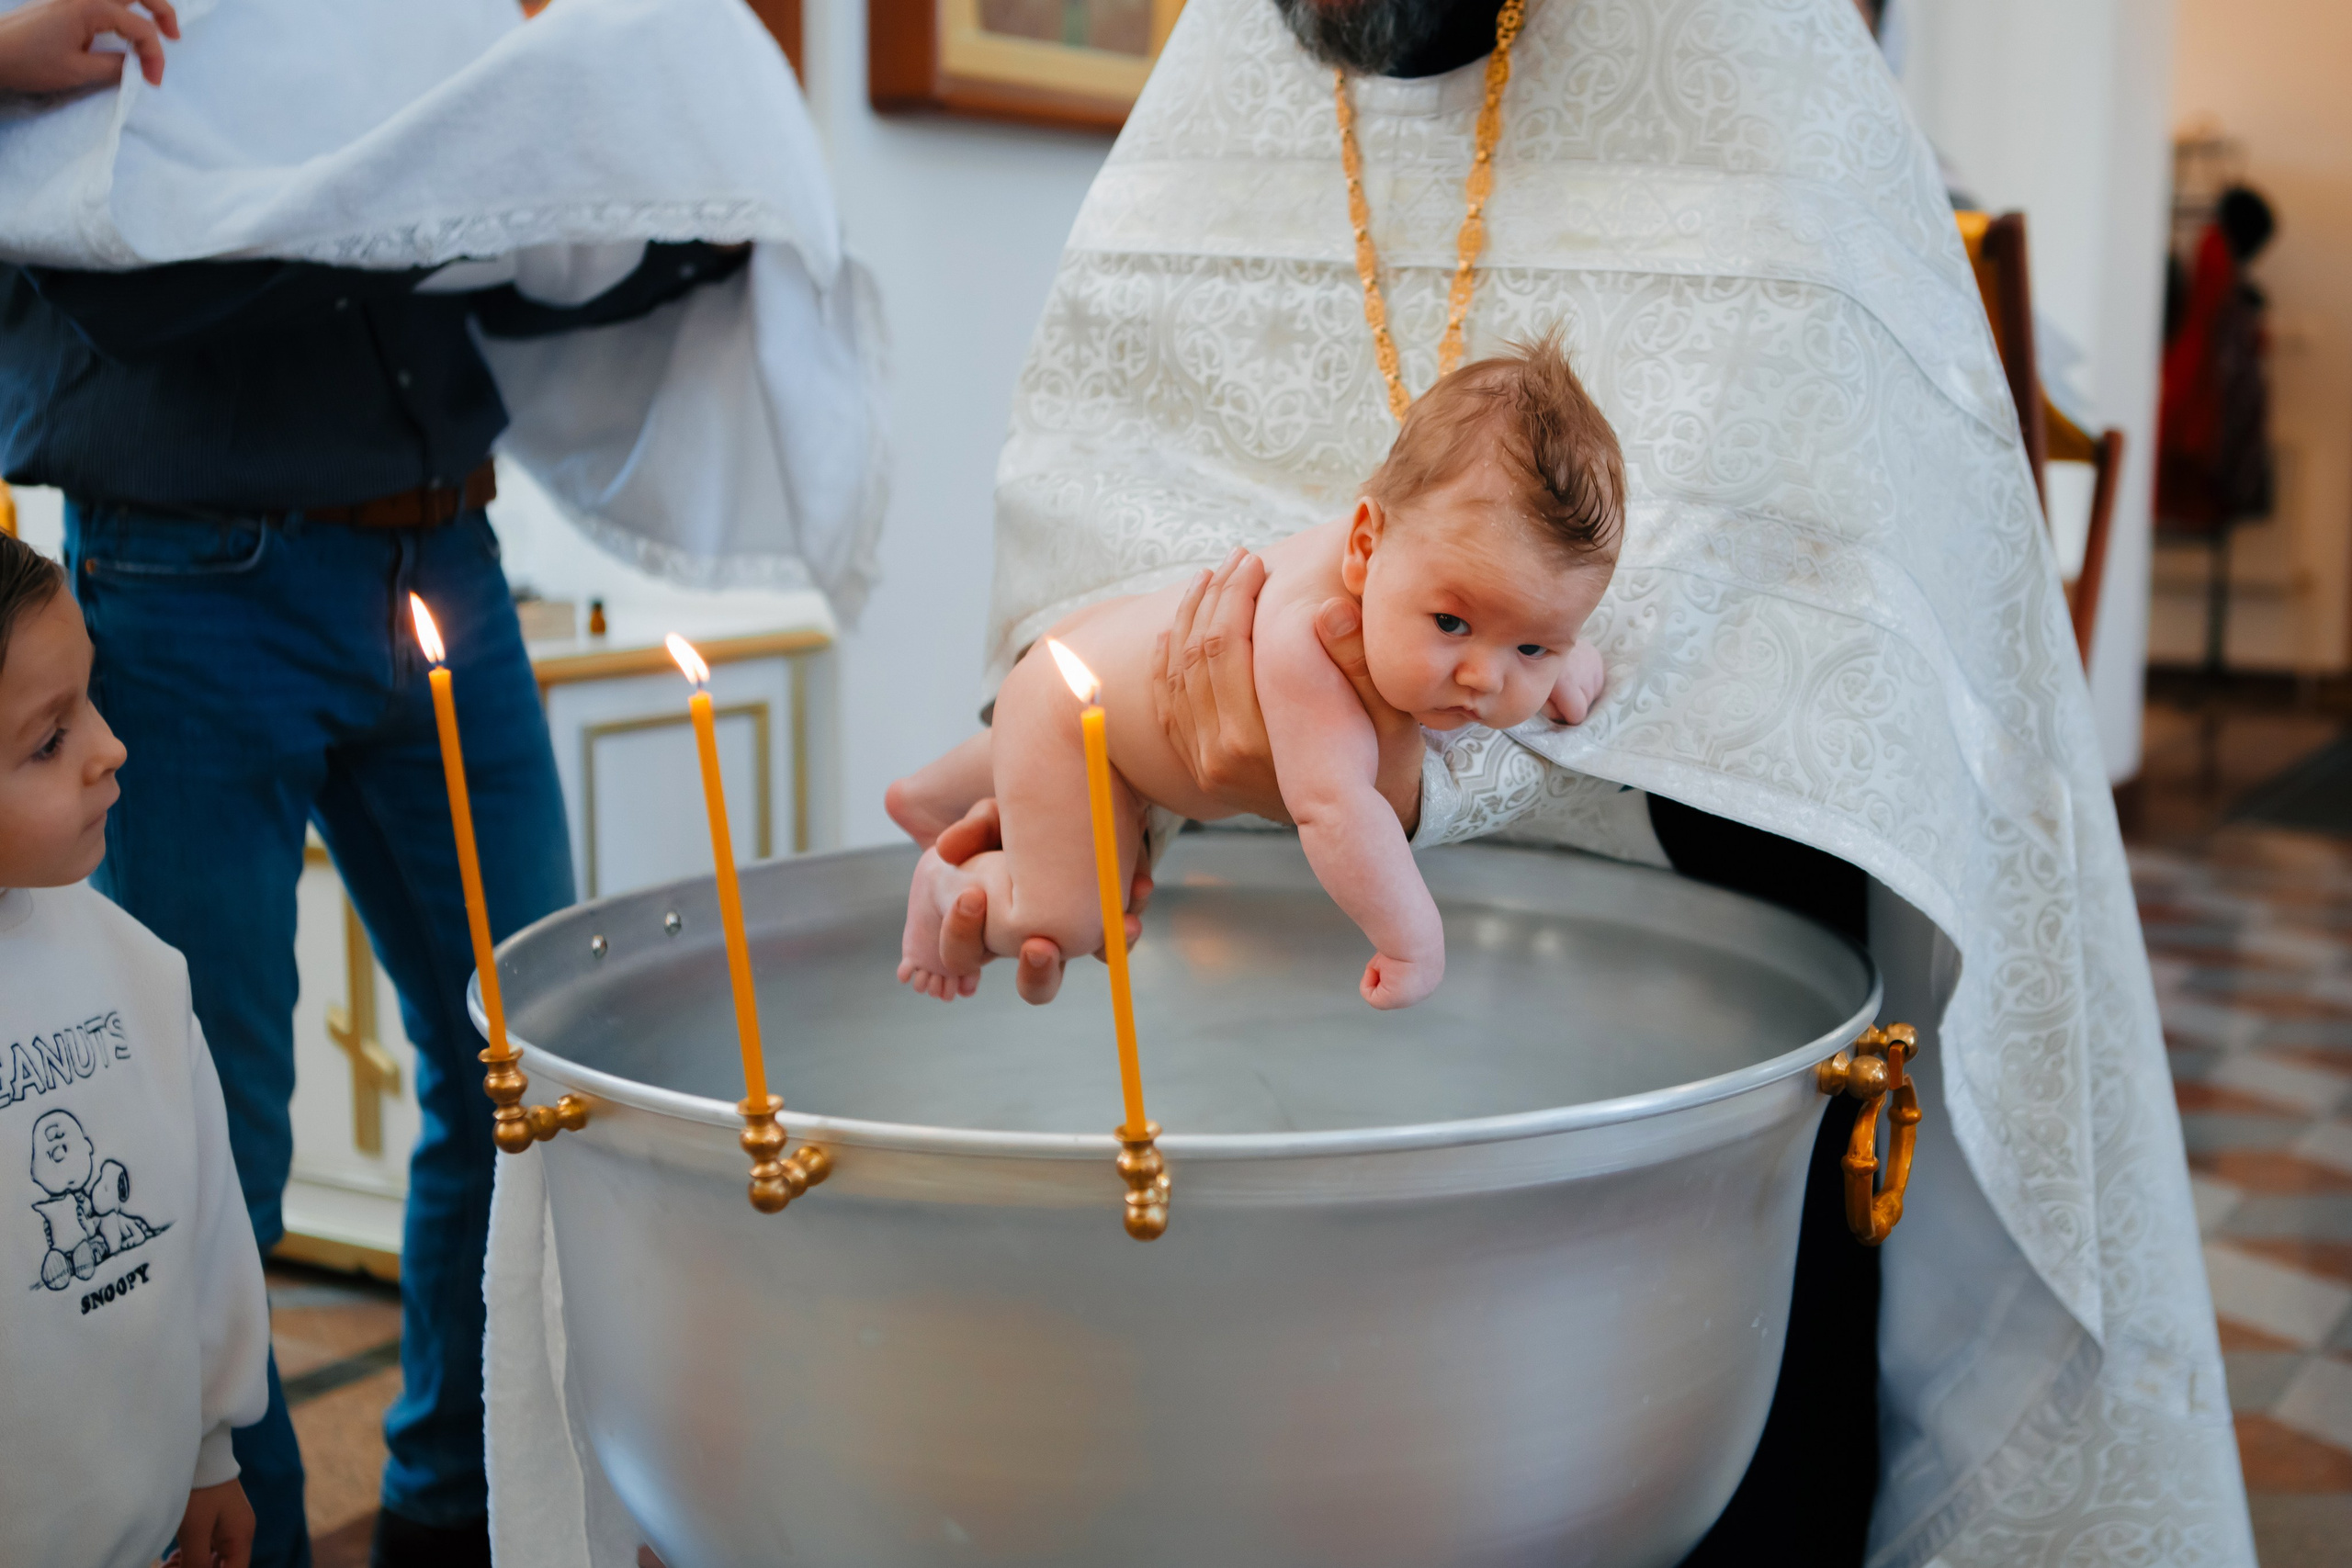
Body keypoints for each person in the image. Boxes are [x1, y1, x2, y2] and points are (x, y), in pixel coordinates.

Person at [948, 0, 2254, 1563]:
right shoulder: (1236, 63)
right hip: (1267, 1065)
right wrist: (1096, 758)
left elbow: (1812, 633)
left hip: (1688, 1081)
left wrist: (1401, 759)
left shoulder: (1749, 70)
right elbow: (1102, 510)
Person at [892, 335, 1617, 1008]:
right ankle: (950, 885)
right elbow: (1336, 809)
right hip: (1072, 720)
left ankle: (931, 794)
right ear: (1366, 545)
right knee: (1074, 922)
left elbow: (1513, 599)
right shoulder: (1308, 645)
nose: (1484, 679)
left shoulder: (1423, 545)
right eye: (1452, 625)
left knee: (1047, 728)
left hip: (1094, 657)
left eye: (1533, 647)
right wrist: (1413, 939)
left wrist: (1560, 658)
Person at [0, 532, 271, 1568]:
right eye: (48, 741)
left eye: (91, 703)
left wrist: (211, 1448)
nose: (109, 747)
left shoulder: (135, 964)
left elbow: (202, 1218)